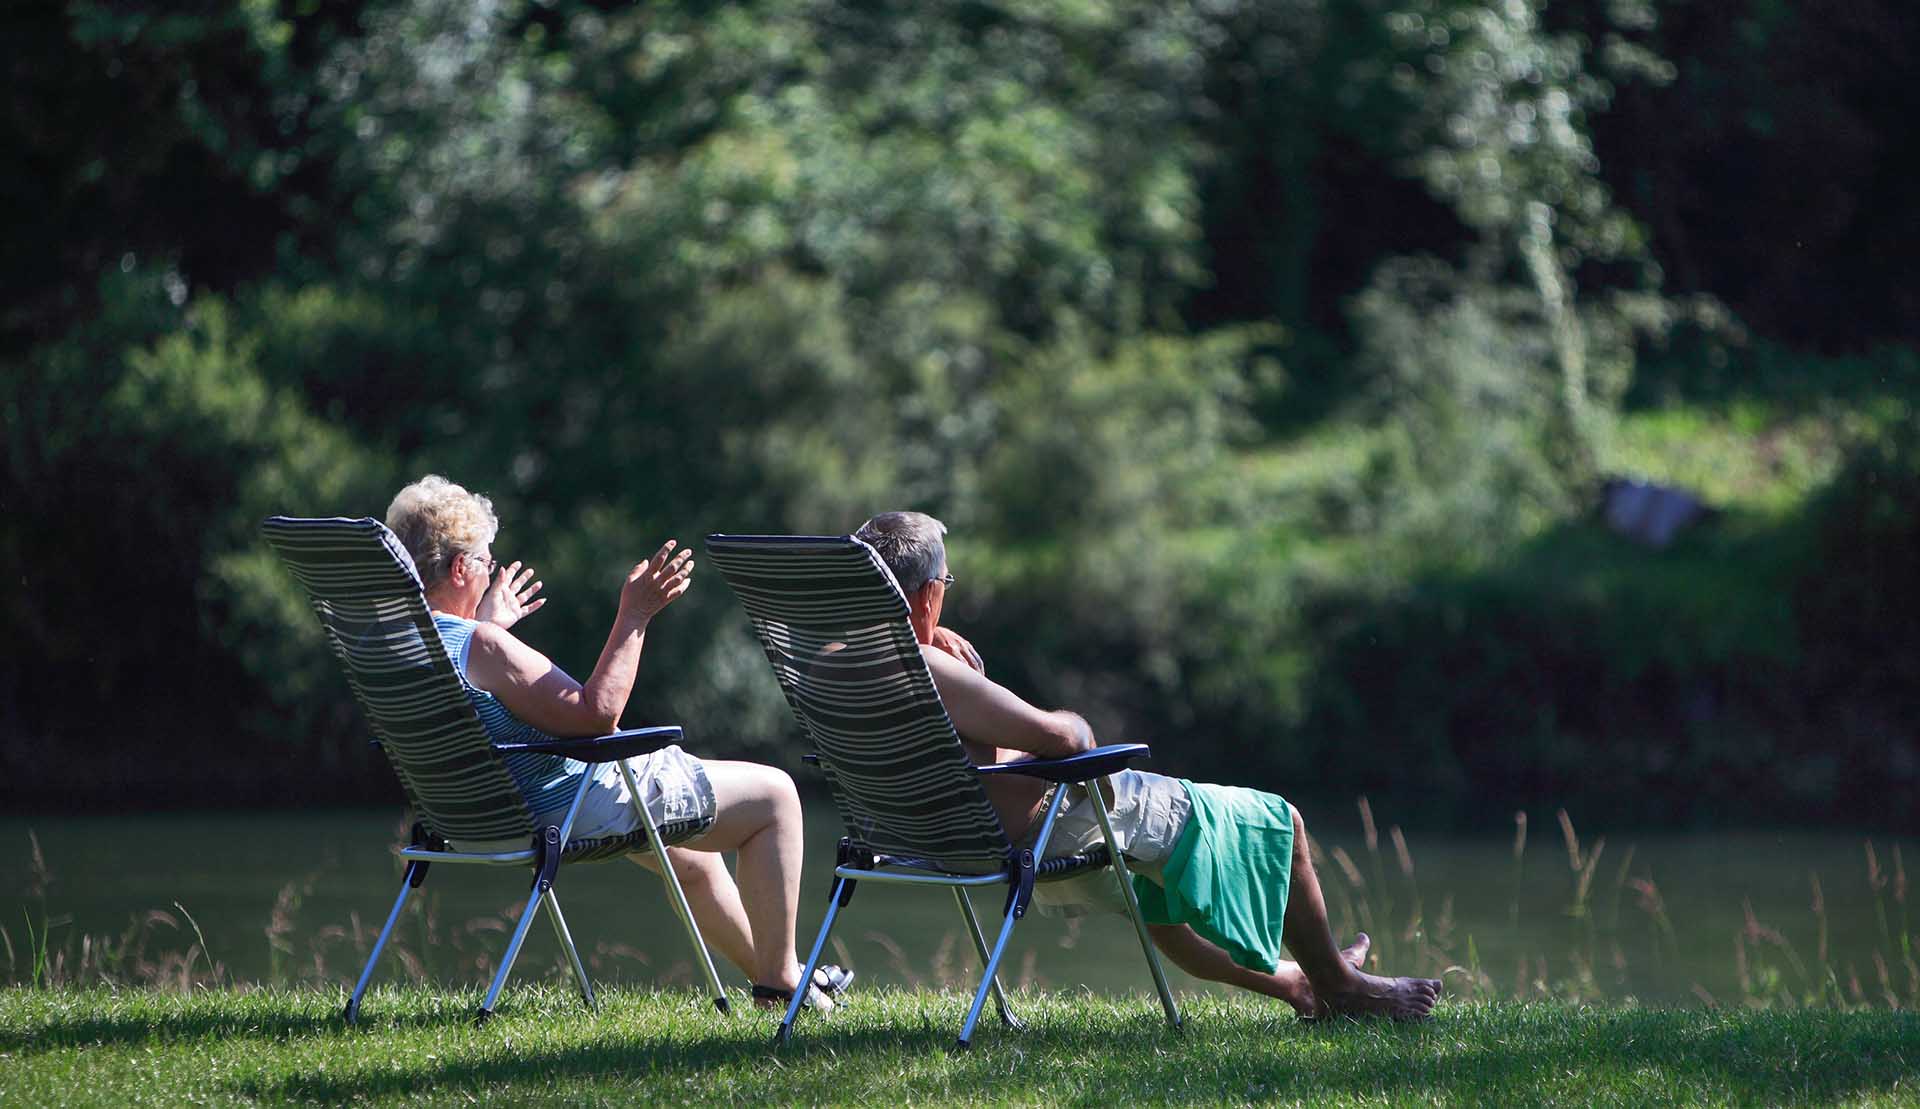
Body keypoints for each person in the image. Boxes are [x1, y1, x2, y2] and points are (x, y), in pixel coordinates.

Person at [854, 510, 1441, 1020]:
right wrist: (1068, 724)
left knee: (1151, 892)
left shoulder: (834, 665)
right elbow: (1066, 741)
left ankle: (1300, 982)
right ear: (928, 593)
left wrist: (940, 648)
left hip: (922, 838)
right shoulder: (929, 669)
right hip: (1041, 827)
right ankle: (1342, 987)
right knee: (1281, 823)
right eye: (945, 584)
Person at [384, 475, 850, 1011]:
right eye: (487, 562)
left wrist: (487, 628)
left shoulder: (396, 644)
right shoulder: (483, 646)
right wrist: (636, 613)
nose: (492, 572)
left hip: (470, 819)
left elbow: (474, 694)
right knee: (776, 795)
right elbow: (596, 715)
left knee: (692, 861)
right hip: (566, 809)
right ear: (462, 568)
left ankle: (789, 987)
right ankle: (785, 980)